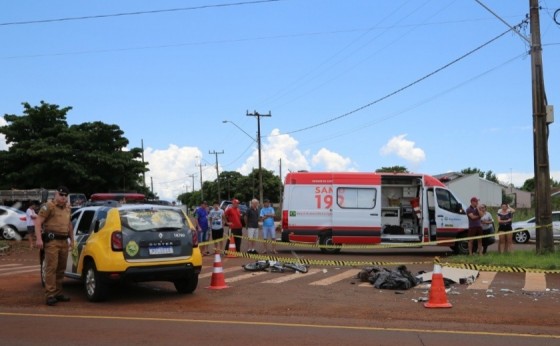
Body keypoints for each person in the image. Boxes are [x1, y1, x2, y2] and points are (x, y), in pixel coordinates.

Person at [35, 186, 74, 306]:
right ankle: (50, 295)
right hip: (52, 242)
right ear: (56, 194)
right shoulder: (49, 206)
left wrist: (72, 240)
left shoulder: (67, 208)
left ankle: (58, 292)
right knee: (51, 268)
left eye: (65, 196)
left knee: (61, 268)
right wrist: (39, 239)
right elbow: (38, 222)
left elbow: (69, 225)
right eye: (61, 195)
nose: (63, 198)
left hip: (63, 241)